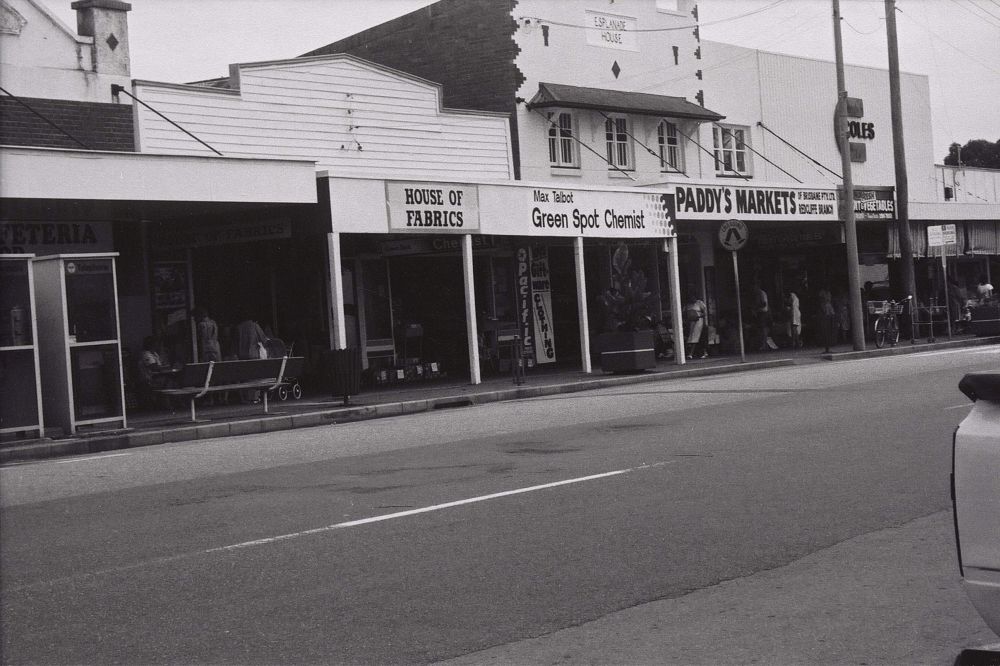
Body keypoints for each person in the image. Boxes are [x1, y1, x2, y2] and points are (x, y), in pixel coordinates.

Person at [683, 289, 708, 359]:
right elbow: (684, 313)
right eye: (690, 297)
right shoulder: (687, 305)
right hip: (690, 323)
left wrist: (698, 316)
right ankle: (696, 352)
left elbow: (705, 313)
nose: (692, 298)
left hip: (698, 322)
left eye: (693, 297)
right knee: (690, 337)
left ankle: (692, 353)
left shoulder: (699, 303)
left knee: (695, 337)